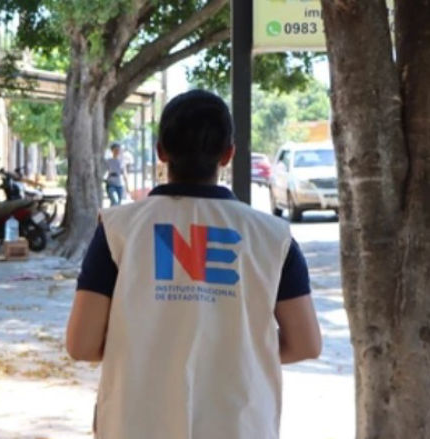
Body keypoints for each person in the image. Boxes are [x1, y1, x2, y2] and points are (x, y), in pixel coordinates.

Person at [66, 90, 321, 438]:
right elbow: (306, 344)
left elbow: (81, 345)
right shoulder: (273, 237)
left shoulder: (116, 229)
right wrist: (235, 347)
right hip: (239, 425)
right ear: (228, 154)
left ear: (161, 152)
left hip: (136, 423)